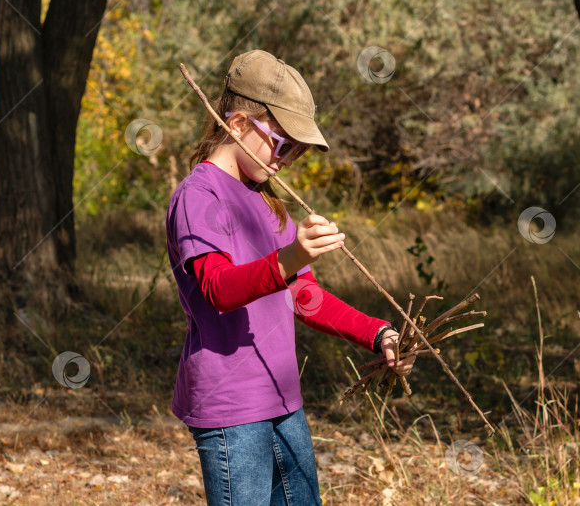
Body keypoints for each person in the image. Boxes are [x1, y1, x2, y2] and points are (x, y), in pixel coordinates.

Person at [165, 50, 416, 505]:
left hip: (283, 400)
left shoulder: (266, 201)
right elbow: (218, 289)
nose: (288, 160)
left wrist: (378, 334)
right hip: (232, 411)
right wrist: (291, 255)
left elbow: (305, 298)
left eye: (297, 151)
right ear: (238, 124)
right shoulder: (198, 197)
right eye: (283, 145)